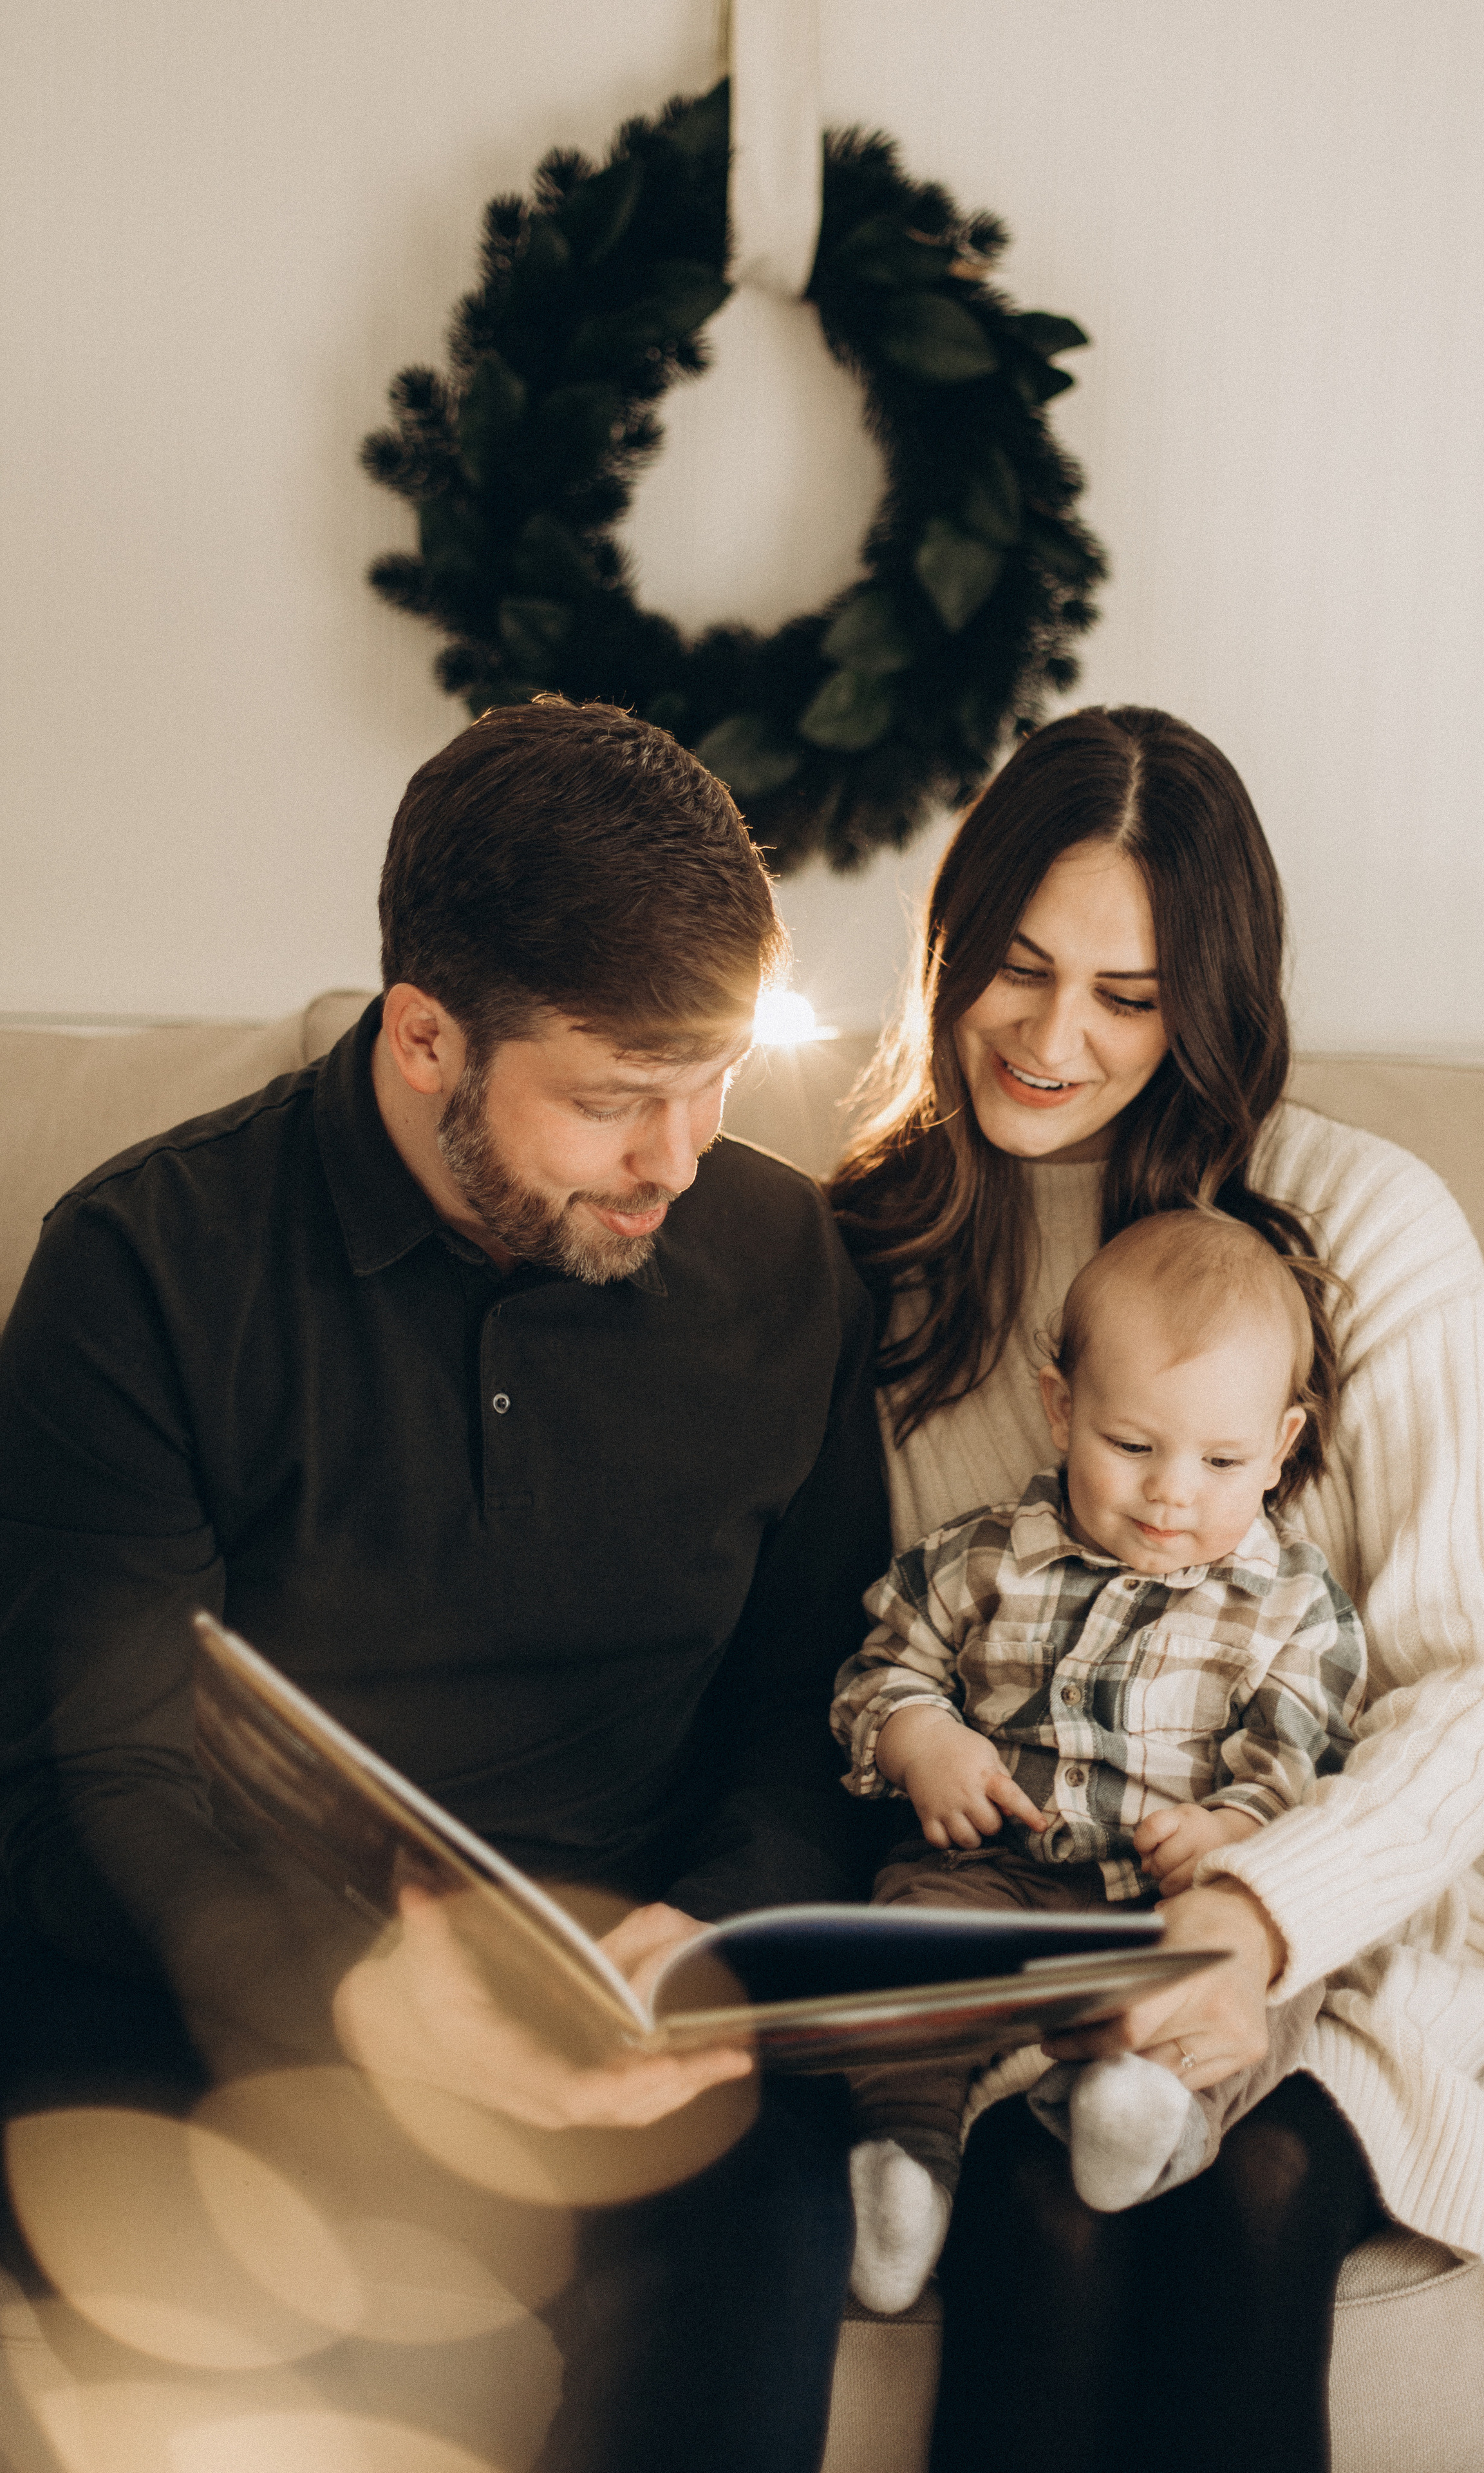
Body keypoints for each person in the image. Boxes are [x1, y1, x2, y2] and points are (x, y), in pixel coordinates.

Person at [0, 694, 890, 2473]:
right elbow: (85, 1780)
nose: (683, 1155)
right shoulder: (143, 1271)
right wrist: (338, 1988)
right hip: (218, 1986)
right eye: (618, 1100)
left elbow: (815, 1707)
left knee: (755, 2275)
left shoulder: (780, 1256)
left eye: (717, 1078)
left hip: (631, 1997)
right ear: (423, 1039)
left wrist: (708, 1936)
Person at [828, 705, 1484, 2473]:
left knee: (1260, 2184)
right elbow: (874, 1634)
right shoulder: (878, 1247)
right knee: (1039, 2200)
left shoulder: (1360, 1223)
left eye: (1129, 996)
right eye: (1014, 967)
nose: (1054, 1037)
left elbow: (1478, 1686)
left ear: (1208, 1001)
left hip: (1323, 1908)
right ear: (949, 945)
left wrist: (1257, 1916)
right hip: (1012, 1903)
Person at [832, 1211, 1364, 2315]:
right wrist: (917, 1736)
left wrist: (1238, 1827)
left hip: (1185, 1896)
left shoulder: (1290, 1605)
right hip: (997, 1868)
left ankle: (1158, 2113)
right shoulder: (983, 1555)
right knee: (902, 1944)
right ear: (1061, 1407)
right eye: (1133, 1447)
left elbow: (1304, 1748)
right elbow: (882, 1667)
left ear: (1282, 1446)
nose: (1173, 1493)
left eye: (1221, 1461)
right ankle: (904, 2163)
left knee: (1281, 1984)